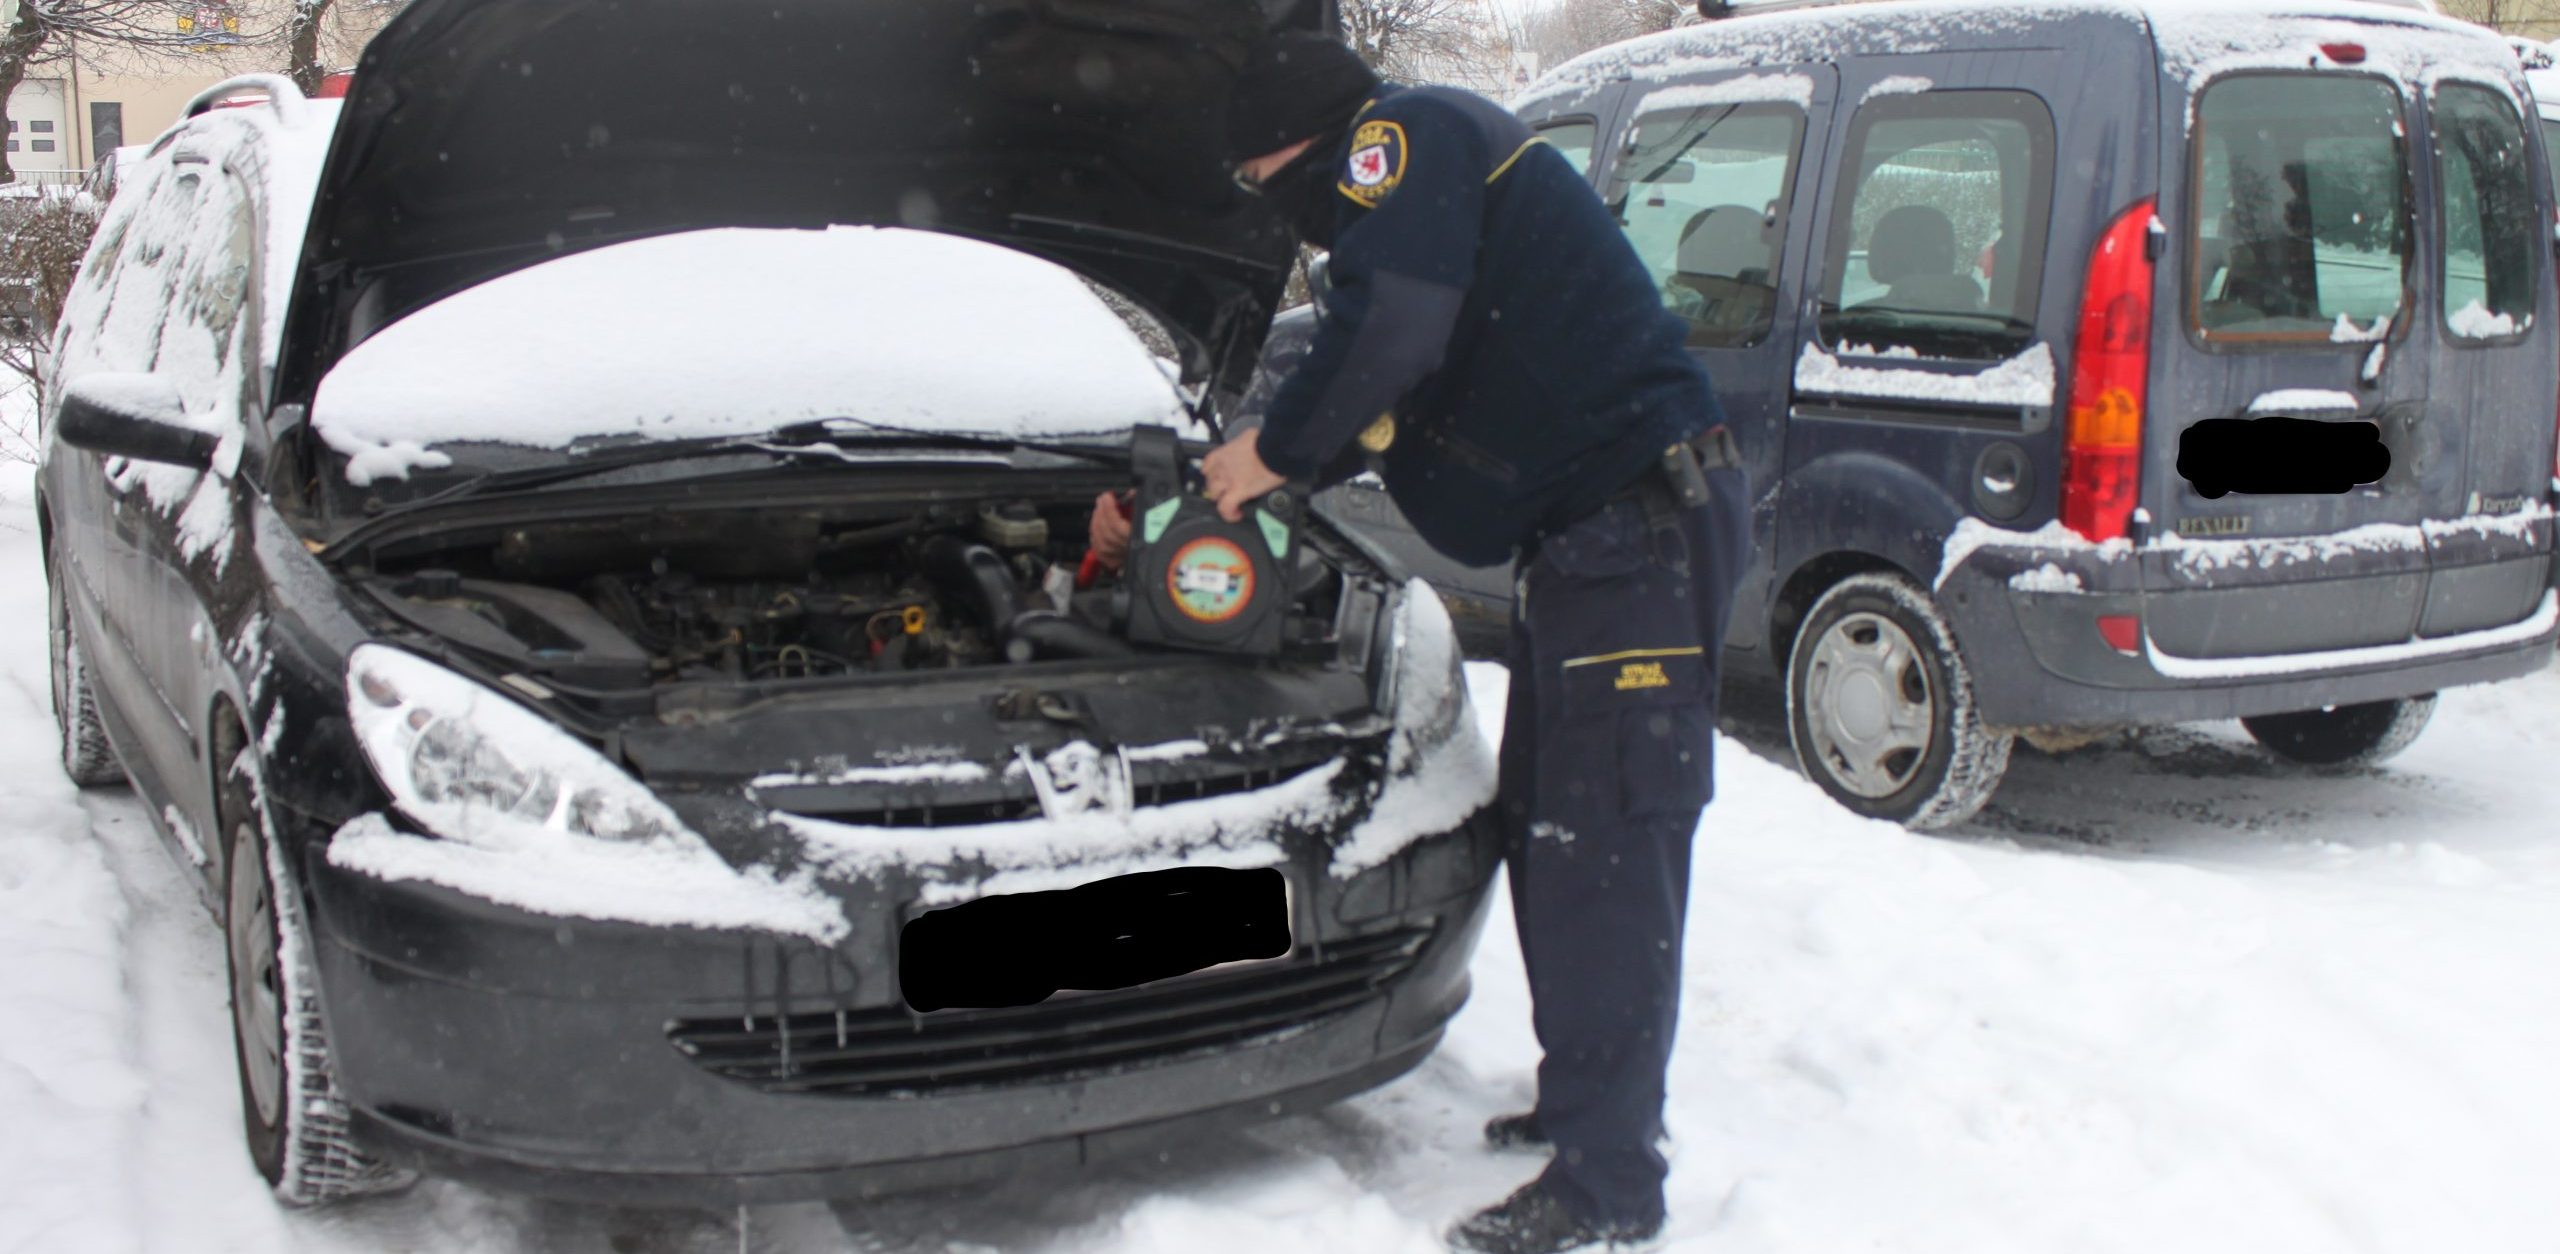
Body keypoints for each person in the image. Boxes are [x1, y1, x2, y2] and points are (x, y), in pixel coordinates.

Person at [1190, 32, 1752, 1254]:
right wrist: (1247, 461)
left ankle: (1610, 1187)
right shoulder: (1409, 210)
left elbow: (1392, 330)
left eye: (1259, 176)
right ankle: (1583, 1102)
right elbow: (1360, 355)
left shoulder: (1407, 140)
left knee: (1604, 839)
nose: (1265, 204)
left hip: (1638, 528)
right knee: (1549, 829)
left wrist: (1273, 456)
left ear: (1306, 137)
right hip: (1595, 541)